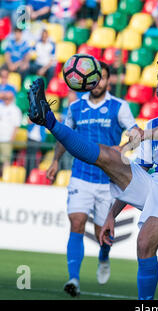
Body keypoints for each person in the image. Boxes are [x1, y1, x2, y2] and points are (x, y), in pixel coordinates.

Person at [27, 57, 158, 300]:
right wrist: (111, 217)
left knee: (144, 244)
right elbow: (141, 169)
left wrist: (144, 135)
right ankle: (48, 120)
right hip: (155, 182)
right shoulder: (154, 122)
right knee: (111, 157)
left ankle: (146, 305)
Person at [45, 61, 137, 297]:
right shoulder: (75, 108)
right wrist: (55, 161)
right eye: (95, 78)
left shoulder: (119, 107)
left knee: (102, 234)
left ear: (108, 81)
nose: (98, 82)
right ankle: (73, 279)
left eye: (103, 78)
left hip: (108, 181)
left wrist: (123, 149)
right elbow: (64, 137)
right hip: (81, 177)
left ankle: (104, 257)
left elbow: (136, 135)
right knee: (76, 223)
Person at [0, 90, 22, 175]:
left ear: (12, 99)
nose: (6, 100)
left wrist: (11, 139)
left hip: (7, 139)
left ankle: (4, 177)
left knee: (6, 161)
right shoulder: (1, 106)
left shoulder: (15, 110)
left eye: (8, 98)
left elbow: (16, 126)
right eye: (5, 98)